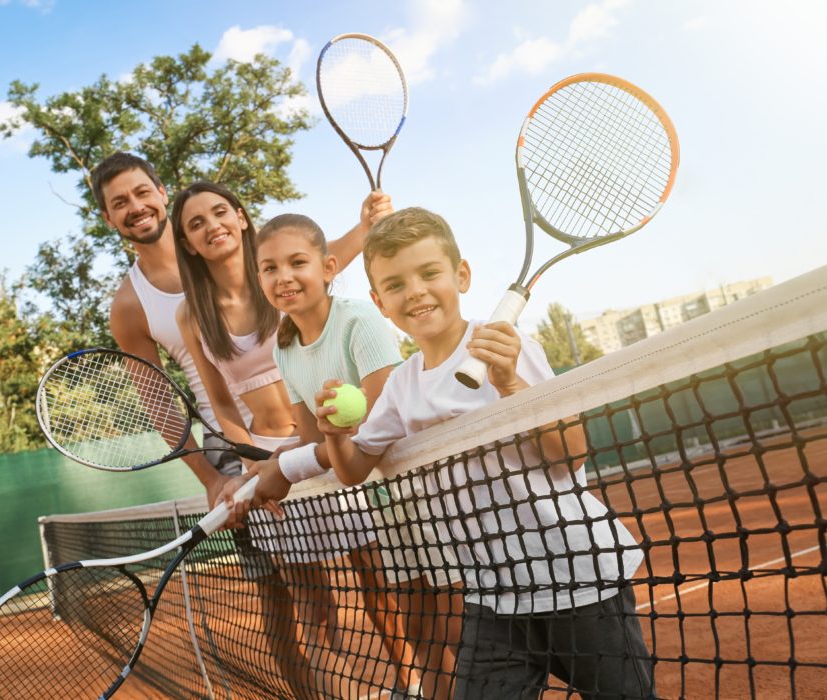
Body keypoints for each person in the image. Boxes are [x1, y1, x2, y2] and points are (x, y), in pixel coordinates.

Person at [238, 207, 653, 699]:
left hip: (576, 580)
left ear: (461, 276)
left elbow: (572, 454)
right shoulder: (400, 386)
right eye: (394, 285)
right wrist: (333, 433)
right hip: (491, 596)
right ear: (379, 301)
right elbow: (353, 469)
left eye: (429, 273)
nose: (413, 291)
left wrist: (510, 383)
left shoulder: (508, 347)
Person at [94, 152, 380, 698]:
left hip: (313, 425)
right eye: (119, 203)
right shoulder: (132, 304)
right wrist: (212, 477)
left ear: (160, 190)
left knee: (372, 568)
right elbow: (160, 402)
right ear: (109, 218)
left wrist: (365, 227)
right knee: (284, 594)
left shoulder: (250, 256)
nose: (135, 208)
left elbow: (317, 264)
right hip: (234, 450)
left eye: (141, 192)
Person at [169, 181, 394, 693]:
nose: (212, 226)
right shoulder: (191, 312)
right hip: (273, 458)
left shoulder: (278, 274)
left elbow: (321, 256)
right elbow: (220, 401)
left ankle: (413, 684)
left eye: (220, 212)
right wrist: (253, 463)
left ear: (242, 217)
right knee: (312, 603)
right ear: (186, 242)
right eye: (195, 223)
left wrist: (367, 221)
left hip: (327, 441)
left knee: (379, 580)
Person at [243, 212, 459, 700]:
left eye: (298, 262)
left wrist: (287, 467)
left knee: (459, 632)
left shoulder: (359, 319)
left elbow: (380, 424)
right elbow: (307, 436)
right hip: (385, 507)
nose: (284, 277)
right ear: (259, 280)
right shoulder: (285, 348)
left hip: (430, 495)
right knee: (422, 629)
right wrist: (265, 470)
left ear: (329, 267)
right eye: (270, 268)